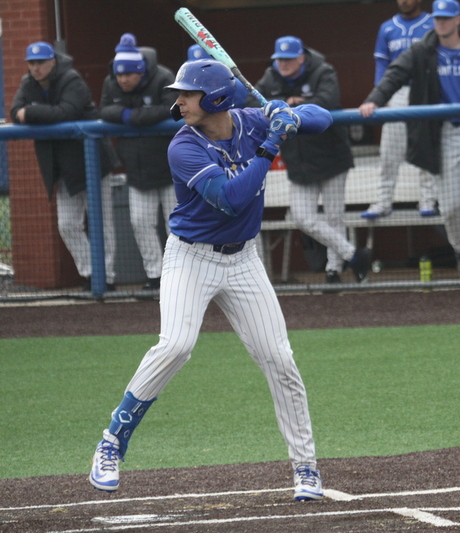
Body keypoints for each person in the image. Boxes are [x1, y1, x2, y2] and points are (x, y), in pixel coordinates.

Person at [88, 59, 331, 501]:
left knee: (280, 360)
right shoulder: (183, 146)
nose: (178, 100)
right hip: (190, 257)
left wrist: (287, 113)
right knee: (177, 344)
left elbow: (325, 118)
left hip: (244, 260)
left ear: (217, 98)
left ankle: (306, 467)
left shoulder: (251, 121)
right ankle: (111, 443)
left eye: (188, 93)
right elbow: (230, 199)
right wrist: (272, 142)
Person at [359, 0, 460, 281]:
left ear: (457, 19)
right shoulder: (422, 49)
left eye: (446, 18)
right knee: (451, 206)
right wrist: (374, 100)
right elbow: (394, 74)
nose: (441, 23)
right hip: (445, 133)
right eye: (438, 18)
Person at [253, 36, 370, 284]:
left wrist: (298, 107)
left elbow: (327, 101)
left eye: (288, 59)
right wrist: (285, 105)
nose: (282, 64)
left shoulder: (322, 70)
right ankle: (353, 255)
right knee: (303, 217)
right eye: (279, 59)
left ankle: (333, 270)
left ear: (301, 58)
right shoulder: (270, 77)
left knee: (334, 216)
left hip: (331, 156)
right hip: (298, 160)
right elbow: (251, 102)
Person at [10, 41, 117, 292]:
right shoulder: (28, 83)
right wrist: (37, 112)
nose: (36, 68)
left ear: (53, 61)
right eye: (32, 63)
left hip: (92, 162)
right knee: (67, 224)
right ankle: (91, 272)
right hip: (62, 166)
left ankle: (107, 277)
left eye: (40, 62)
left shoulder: (71, 78)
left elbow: (67, 112)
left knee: (102, 223)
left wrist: (32, 112)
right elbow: (16, 112)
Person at [100, 33, 177, 291]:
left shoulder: (164, 77)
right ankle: (155, 276)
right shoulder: (112, 83)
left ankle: (180, 276)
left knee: (176, 225)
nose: (122, 80)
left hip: (170, 167)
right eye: (119, 75)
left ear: (141, 71)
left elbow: (173, 109)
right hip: (136, 169)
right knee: (140, 222)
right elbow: (104, 111)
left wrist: (132, 117)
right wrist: (126, 114)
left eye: (128, 75)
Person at [361, 0, 437, 219]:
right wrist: (380, 94)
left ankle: (428, 199)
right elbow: (382, 64)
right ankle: (384, 201)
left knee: (425, 147)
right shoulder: (387, 27)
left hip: (423, 93)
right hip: (397, 92)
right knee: (389, 152)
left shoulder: (433, 23)